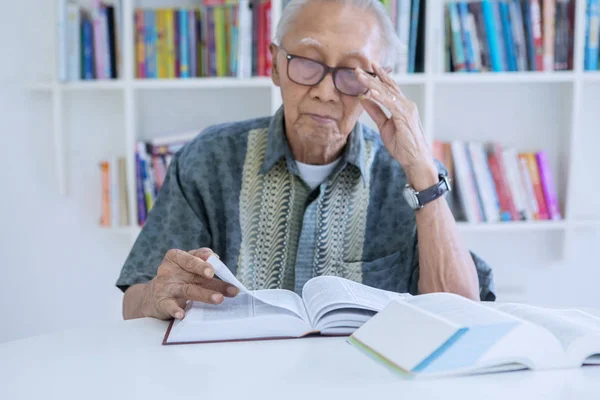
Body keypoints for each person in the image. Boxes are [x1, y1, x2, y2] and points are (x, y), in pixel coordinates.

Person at [117, 0, 495, 321]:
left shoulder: (413, 177)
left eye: (352, 72)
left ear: (381, 83)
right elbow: (134, 304)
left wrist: (423, 172)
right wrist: (157, 295)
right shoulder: (207, 160)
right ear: (275, 65)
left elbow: (461, 314)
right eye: (308, 62)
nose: (326, 92)